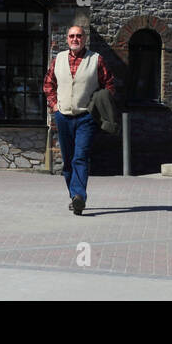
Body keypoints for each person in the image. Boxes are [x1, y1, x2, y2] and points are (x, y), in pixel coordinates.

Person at [43, 25, 115, 215]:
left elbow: (109, 85)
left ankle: (79, 197)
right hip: (63, 116)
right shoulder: (58, 60)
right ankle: (74, 197)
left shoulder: (96, 59)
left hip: (86, 117)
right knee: (67, 161)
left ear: (85, 39)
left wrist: (98, 105)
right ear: (67, 39)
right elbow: (48, 84)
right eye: (72, 36)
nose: (75, 39)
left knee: (80, 157)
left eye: (79, 36)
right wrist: (54, 105)